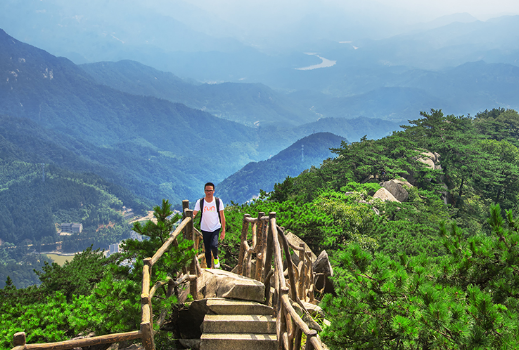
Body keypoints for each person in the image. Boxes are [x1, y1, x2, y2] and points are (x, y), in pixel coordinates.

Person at [193, 182, 226, 268]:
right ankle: (209, 266)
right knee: (207, 249)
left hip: (215, 227)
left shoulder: (218, 201)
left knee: (214, 245)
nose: (209, 192)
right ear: (204, 191)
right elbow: (194, 214)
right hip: (205, 228)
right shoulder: (200, 202)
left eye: (210, 190)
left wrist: (223, 230)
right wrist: (188, 219)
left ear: (214, 191)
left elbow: (222, 216)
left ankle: (216, 257)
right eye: (207, 190)